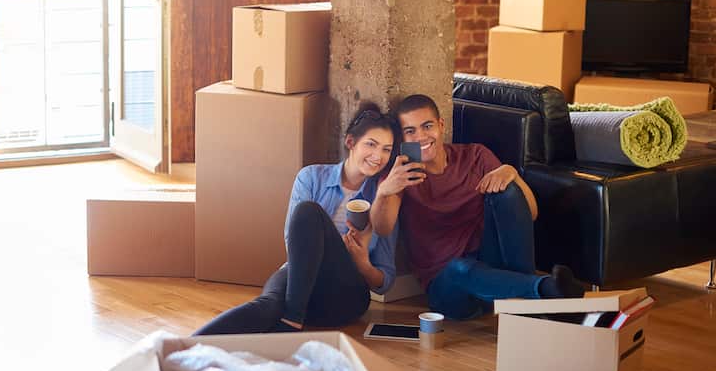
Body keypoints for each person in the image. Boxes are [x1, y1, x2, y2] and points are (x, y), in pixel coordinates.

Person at [369, 94, 583, 321]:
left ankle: (527, 300)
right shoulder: (401, 174)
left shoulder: (474, 156)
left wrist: (512, 174)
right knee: (459, 268)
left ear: (441, 126)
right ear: (402, 137)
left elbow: (531, 212)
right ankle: (546, 290)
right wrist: (384, 192)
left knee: (507, 189)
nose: (421, 136)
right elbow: (382, 229)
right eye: (410, 131)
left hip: (491, 265)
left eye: (427, 126)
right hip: (449, 288)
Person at [195, 104, 401, 335]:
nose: (378, 156)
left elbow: (385, 281)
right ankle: (183, 350)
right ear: (350, 142)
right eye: (371, 144)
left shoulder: (383, 198)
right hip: (299, 287)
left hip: (343, 300)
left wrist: (362, 262)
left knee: (308, 212)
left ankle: (291, 320)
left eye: (386, 149)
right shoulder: (312, 177)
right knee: (267, 305)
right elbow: (293, 240)